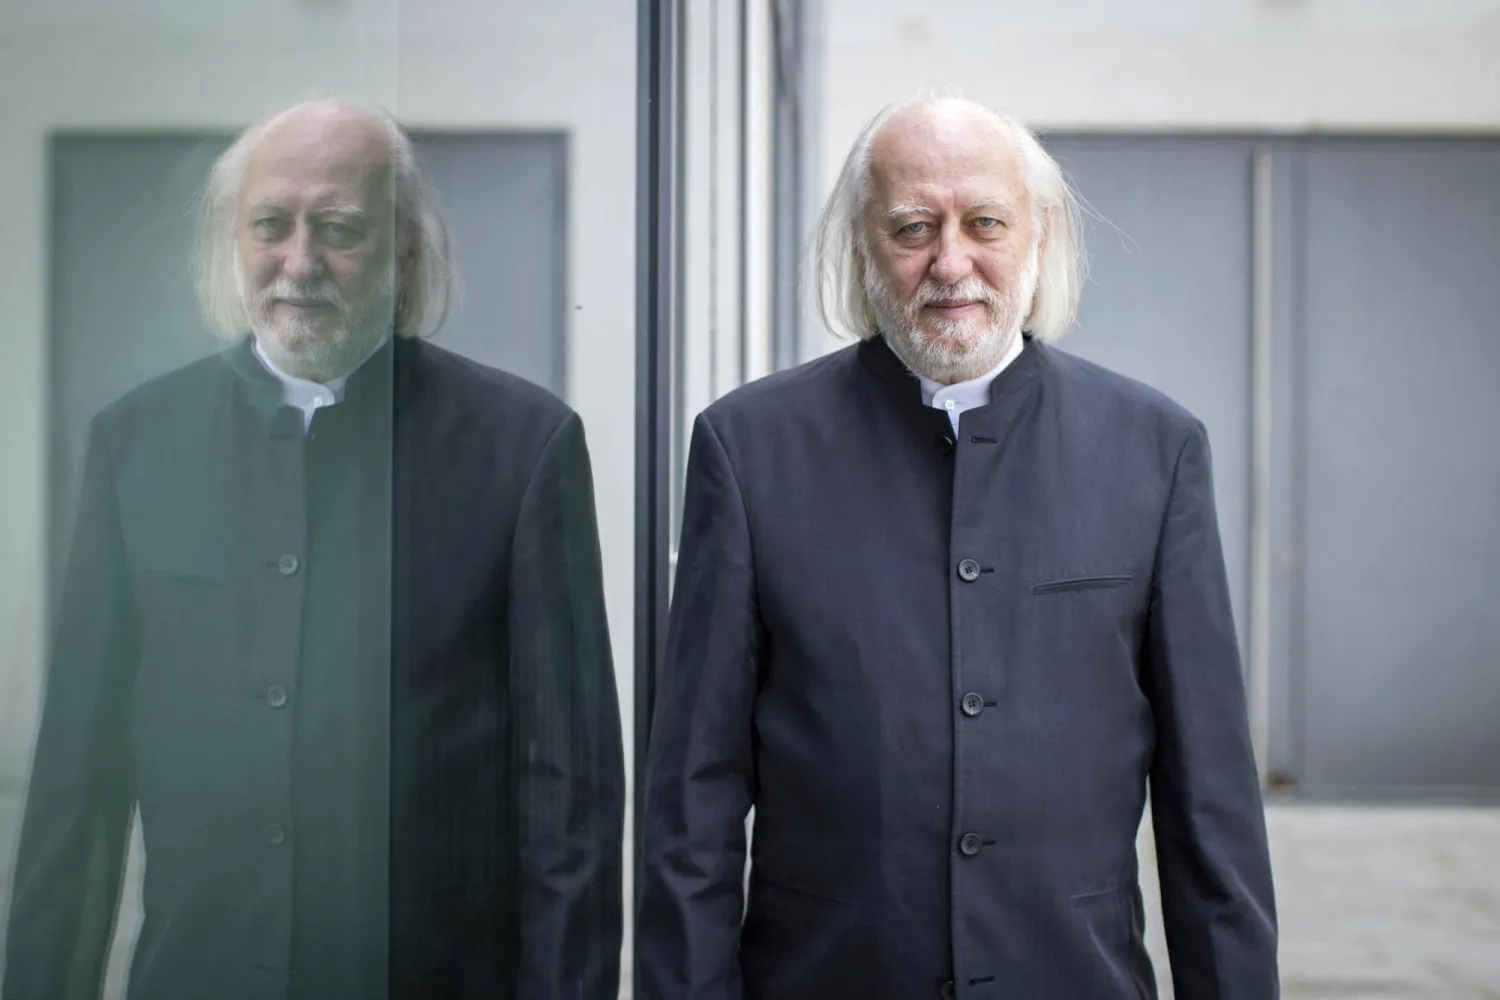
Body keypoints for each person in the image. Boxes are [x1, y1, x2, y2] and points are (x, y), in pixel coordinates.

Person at [637, 96, 1278, 999]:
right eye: (911, 227)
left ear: (1038, 237)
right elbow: (692, 805)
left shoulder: (1155, 451)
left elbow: (1210, 806)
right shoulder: (749, 451)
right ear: (863, 246)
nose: (950, 262)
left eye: (984, 223)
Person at [4, 99, 624, 1000]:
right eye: (271, 226)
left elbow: (570, 802)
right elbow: (76, 788)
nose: (300, 262)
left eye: (338, 228)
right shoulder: (134, 443)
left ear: (406, 250)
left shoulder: (523, 447)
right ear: (235, 241)